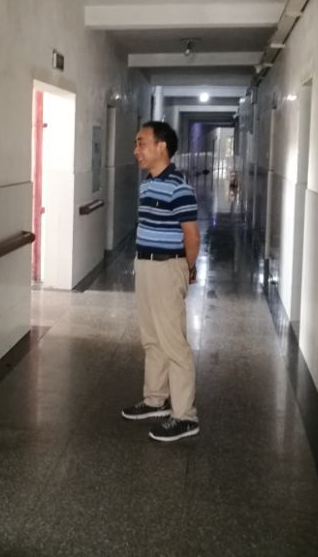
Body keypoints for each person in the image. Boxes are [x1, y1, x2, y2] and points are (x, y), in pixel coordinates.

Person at [122, 121, 201, 442]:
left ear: (161, 146)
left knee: (173, 342)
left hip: (168, 267)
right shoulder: (148, 183)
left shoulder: (179, 187)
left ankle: (185, 416)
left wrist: (186, 269)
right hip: (145, 264)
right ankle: (155, 399)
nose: (136, 150)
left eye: (141, 143)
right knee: (151, 337)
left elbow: (192, 236)